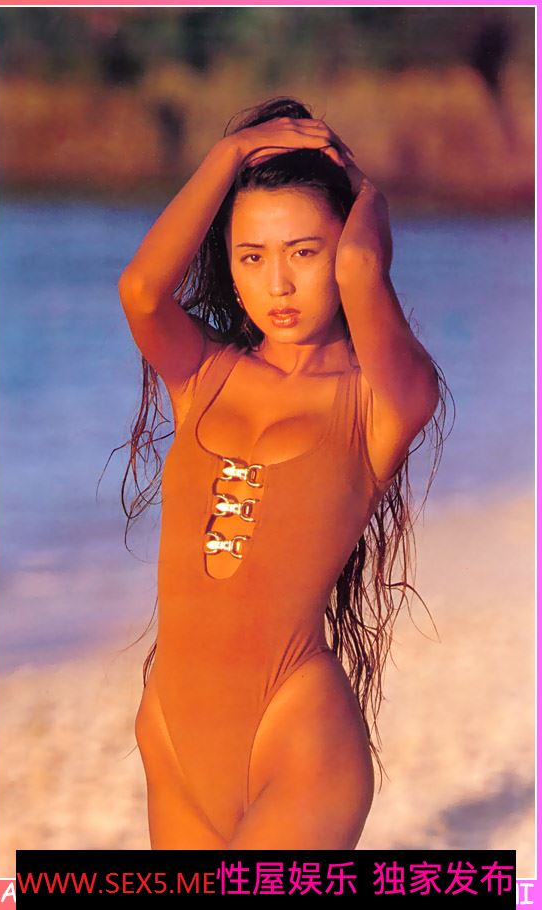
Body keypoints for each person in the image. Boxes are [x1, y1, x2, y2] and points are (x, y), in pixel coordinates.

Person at [116, 96, 450, 849]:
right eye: (252, 257)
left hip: (297, 741)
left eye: (304, 252)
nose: (279, 285)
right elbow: (141, 290)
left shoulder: (384, 402)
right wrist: (230, 153)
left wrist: (367, 193)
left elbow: (362, 266)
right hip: (171, 738)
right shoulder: (202, 374)